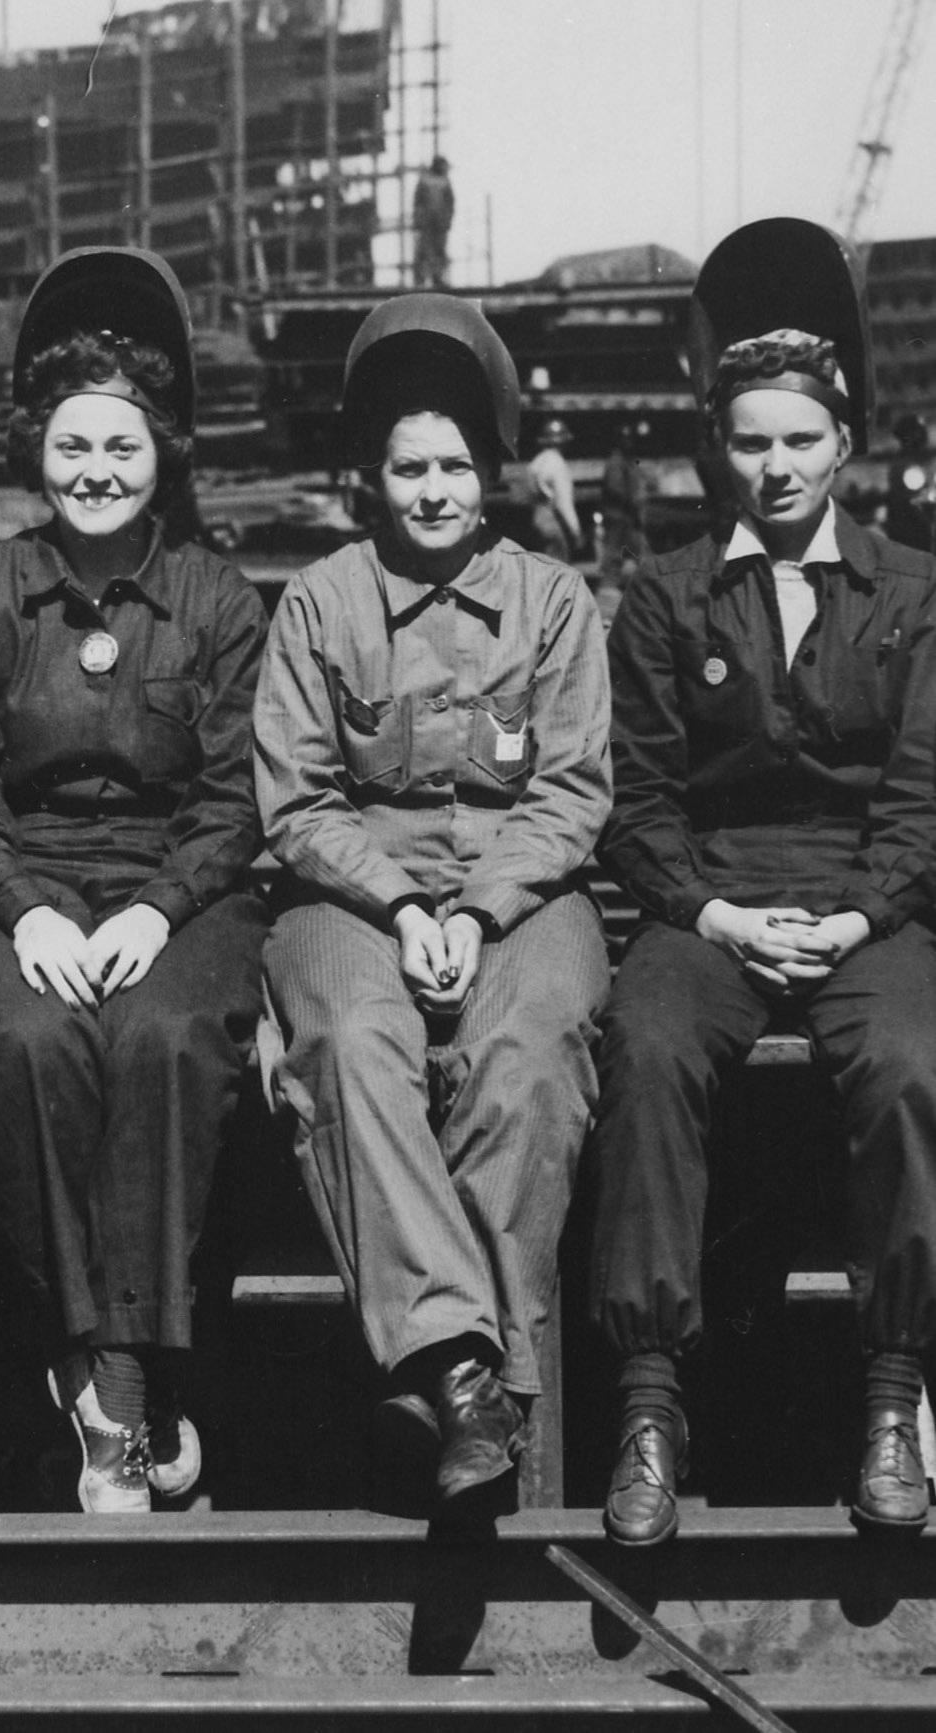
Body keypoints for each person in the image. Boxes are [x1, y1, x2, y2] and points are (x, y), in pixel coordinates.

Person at [0, 248, 267, 1514]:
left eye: (120, 446)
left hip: (176, 887)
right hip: (4, 886)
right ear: (35, 453)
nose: (95, 471)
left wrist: (163, 906)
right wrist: (26, 907)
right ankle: (112, 1375)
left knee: (168, 1037)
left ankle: (122, 1367)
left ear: (161, 451)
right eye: (70, 448)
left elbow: (232, 797)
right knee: (23, 1036)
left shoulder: (214, 598)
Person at [589, 217, 936, 1544]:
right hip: (713, 904)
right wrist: (715, 914)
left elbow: (919, 795)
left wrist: (858, 914)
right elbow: (638, 801)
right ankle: (647, 1400)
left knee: (906, 1060)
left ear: (841, 445)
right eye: (748, 441)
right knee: (645, 1042)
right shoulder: (668, 597)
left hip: (870, 903)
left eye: (797, 439)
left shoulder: (910, 593)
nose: (773, 465)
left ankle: (894, 1389)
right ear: (715, 448)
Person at [254, 293, 611, 1509]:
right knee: (350, 1040)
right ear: (373, 477)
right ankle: (470, 1370)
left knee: (533, 1045)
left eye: (456, 465)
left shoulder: (553, 603)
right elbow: (298, 800)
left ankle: (467, 1394)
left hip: (525, 890)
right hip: (351, 893)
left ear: (490, 472)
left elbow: (569, 792)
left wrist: (481, 909)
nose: (435, 491)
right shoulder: (322, 601)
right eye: (409, 467)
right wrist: (407, 906)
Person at [526, 418, 583, 563]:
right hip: (554, 522)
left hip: (537, 520)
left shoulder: (535, 463)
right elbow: (563, 504)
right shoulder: (557, 465)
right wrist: (576, 531)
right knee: (558, 568)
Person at [599, 425, 651, 583]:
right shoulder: (616, 462)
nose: (629, 443)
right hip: (618, 516)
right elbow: (616, 489)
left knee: (641, 551)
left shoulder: (628, 461)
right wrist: (632, 501)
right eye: (625, 439)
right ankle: (608, 585)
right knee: (614, 554)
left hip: (628, 516)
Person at [885, 413, 932, 554]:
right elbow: (913, 503)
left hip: (908, 531)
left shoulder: (908, 462)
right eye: (919, 431)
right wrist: (929, 526)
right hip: (910, 533)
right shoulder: (906, 466)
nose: (924, 435)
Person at [412, 157, 455, 289]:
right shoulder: (439, 182)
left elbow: (449, 203)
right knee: (429, 251)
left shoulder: (430, 181)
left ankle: (432, 278)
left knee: (434, 251)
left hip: (435, 222)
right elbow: (449, 203)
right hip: (431, 222)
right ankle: (428, 278)